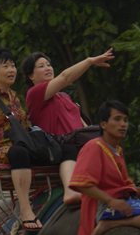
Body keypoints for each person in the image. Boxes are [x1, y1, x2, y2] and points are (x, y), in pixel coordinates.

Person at [69, 100, 140, 235]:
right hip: (104, 207)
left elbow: (122, 188)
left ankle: (113, 222)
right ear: (103, 125)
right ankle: (111, 224)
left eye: (125, 120)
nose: (123, 124)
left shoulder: (117, 151)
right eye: (117, 119)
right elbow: (82, 184)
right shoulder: (94, 146)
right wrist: (111, 201)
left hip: (121, 202)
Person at [22, 49, 114, 205]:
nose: (48, 68)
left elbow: (84, 125)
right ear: (31, 76)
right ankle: (71, 192)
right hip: (58, 147)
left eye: (49, 65)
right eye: (41, 66)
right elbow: (65, 78)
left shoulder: (64, 96)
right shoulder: (34, 94)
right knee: (70, 149)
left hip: (78, 144)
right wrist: (90, 61)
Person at [0, 48, 44, 231]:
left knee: (57, 150)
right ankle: (26, 211)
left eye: (13, 66)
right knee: (19, 153)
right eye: (5, 66)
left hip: (20, 147)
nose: (11, 70)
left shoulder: (15, 98)